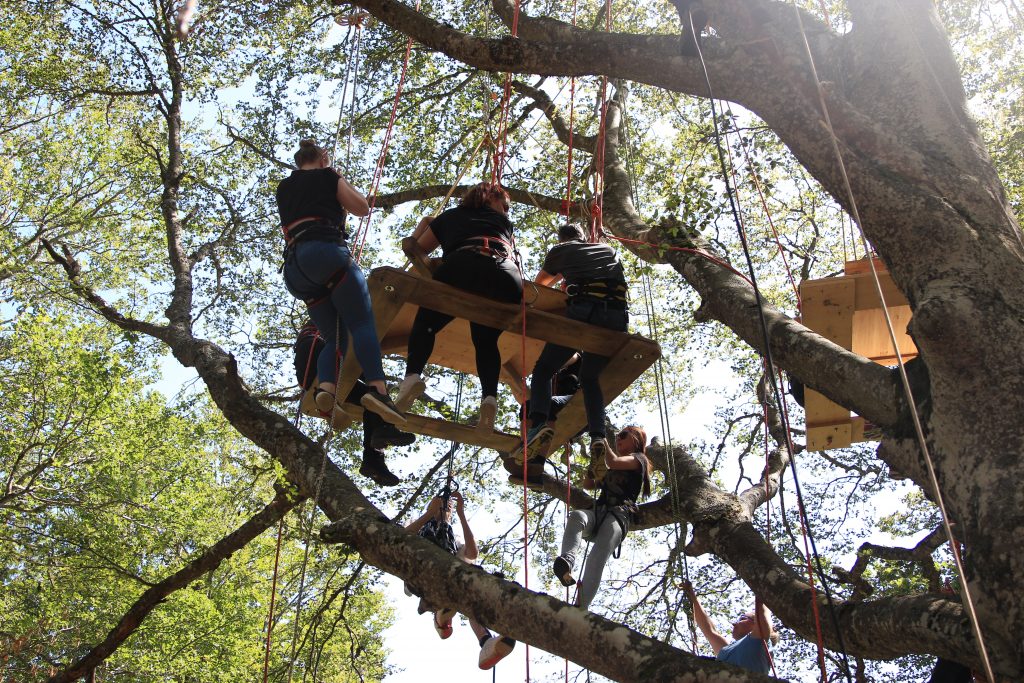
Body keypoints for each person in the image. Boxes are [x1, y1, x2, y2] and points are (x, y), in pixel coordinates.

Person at [276, 139, 405, 428]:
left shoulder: (284, 187)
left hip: (296, 268)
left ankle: (327, 390)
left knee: (335, 339)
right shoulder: (328, 175)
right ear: (323, 158)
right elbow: (361, 208)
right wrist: (337, 176)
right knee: (361, 324)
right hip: (326, 253)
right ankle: (378, 389)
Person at [395, 181, 524, 435]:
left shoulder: (451, 216)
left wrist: (427, 222)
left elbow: (418, 248)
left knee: (426, 323)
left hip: (463, 265)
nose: (506, 211)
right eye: (504, 204)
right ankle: (490, 399)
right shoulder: (505, 225)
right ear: (489, 198)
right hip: (507, 278)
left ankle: (412, 377)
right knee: (485, 339)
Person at [524, 223, 628, 471]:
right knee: (590, 378)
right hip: (616, 319)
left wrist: (562, 277)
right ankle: (597, 437)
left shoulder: (560, 251)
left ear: (562, 239)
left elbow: (539, 287)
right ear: (583, 238)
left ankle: (538, 425)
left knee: (544, 369)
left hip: (584, 313)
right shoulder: (607, 250)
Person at [405, 491, 517, 670]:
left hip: (449, 580)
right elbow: (401, 537)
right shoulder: (419, 526)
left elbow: (472, 553)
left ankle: (486, 642)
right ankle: (440, 614)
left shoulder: (454, 538)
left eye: (446, 508)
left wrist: (461, 514)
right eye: (439, 505)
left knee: (472, 589)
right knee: (452, 586)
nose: (443, 509)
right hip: (421, 577)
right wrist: (429, 514)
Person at [294, 321, 414, 486]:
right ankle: (381, 435)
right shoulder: (335, 314)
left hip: (308, 371)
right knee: (376, 387)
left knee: (371, 401)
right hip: (317, 349)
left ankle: (373, 459)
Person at [552, 425, 651, 611]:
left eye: (623, 435)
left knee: (597, 555)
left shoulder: (639, 460)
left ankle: (581, 607)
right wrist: (594, 462)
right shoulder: (613, 465)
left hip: (618, 515)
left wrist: (599, 436)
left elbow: (612, 461)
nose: (618, 438)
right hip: (598, 512)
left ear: (636, 440)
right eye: (616, 436)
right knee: (577, 516)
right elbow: (589, 484)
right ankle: (567, 560)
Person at [683, 580, 776, 675]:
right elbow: (709, 631)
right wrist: (691, 595)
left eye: (742, 618)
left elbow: (763, 615)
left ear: (755, 623)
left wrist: (761, 584)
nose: (734, 624)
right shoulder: (726, 651)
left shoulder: (760, 642)